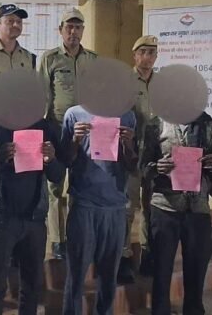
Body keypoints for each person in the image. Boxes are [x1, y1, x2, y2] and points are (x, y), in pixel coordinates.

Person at [59, 101, 138, 315]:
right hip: (84, 204)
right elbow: (65, 160)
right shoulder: (74, 114)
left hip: (115, 207)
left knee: (109, 278)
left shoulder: (127, 116)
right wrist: (75, 141)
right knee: (76, 276)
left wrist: (128, 145)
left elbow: (133, 165)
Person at [140, 109, 212, 315]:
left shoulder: (207, 124)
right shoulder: (157, 123)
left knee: (196, 273)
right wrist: (156, 167)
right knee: (161, 272)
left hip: (198, 209)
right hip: (165, 207)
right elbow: (142, 168)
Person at [0, 112, 65, 315]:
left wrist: (51, 159)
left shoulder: (44, 127)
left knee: (32, 285)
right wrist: (0, 159)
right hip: (1, 217)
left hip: (34, 217)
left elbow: (57, 175)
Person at [38, 8, 97, 260]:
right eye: (69, 27)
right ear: (61, 30)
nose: (73, 32)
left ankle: (78, 235)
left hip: (85, 131)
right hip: (57, 128)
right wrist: (41, 129)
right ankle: (58, 240)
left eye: (78, 27)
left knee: (82, 184)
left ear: (83, 30)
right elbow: (42, 95)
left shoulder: (93, 59)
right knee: (55, 187)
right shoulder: (50, 59)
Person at [129, 34, 158, 282]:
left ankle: (149, 254)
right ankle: (124, 256)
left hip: (155, 154)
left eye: (152, 53)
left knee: (151, 206)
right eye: (143, 52)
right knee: (128, 206)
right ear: (135, 55)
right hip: (130, 153)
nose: (147, 57)